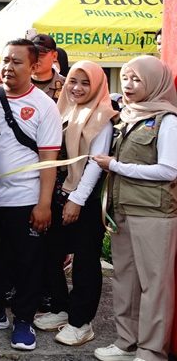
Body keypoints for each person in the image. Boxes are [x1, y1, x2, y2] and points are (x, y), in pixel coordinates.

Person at [0, 39, 62, 352]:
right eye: (6, 60)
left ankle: (23, 320)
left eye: (17, 62)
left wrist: (44, 203)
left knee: (27, 263)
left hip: (26, 199)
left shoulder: (45, 106)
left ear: (35, 65)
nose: (9, 67)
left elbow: (49, 160)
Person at [92, 55, 177, 361]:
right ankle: (125, 341)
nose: (128, 84)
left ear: (154, 83)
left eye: (136, 79)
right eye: (125, 77)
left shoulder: (168, 120)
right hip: (122, 211)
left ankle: (152, 350)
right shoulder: (126, 116)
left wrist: (115, 165)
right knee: (125, 279)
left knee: (154, 285)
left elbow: (169, 170)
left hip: (154, 214)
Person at [32, 61, 115, 346]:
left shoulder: (103, 116)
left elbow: (95, 163)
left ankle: (81, 322)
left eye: (85, 83)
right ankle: (62, 308)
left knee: (84, 261)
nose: (77, 88)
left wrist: (76, 200)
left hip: (83, 198)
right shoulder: (62, 108)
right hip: (57, 193)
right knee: (50, 252)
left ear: (97, 86)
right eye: (73, 82)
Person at [31, 34, 66, 101]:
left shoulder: (66, 86)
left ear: (54, 56)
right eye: (32, 55)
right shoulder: (19, 84)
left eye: (41, 55)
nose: (35, 59)